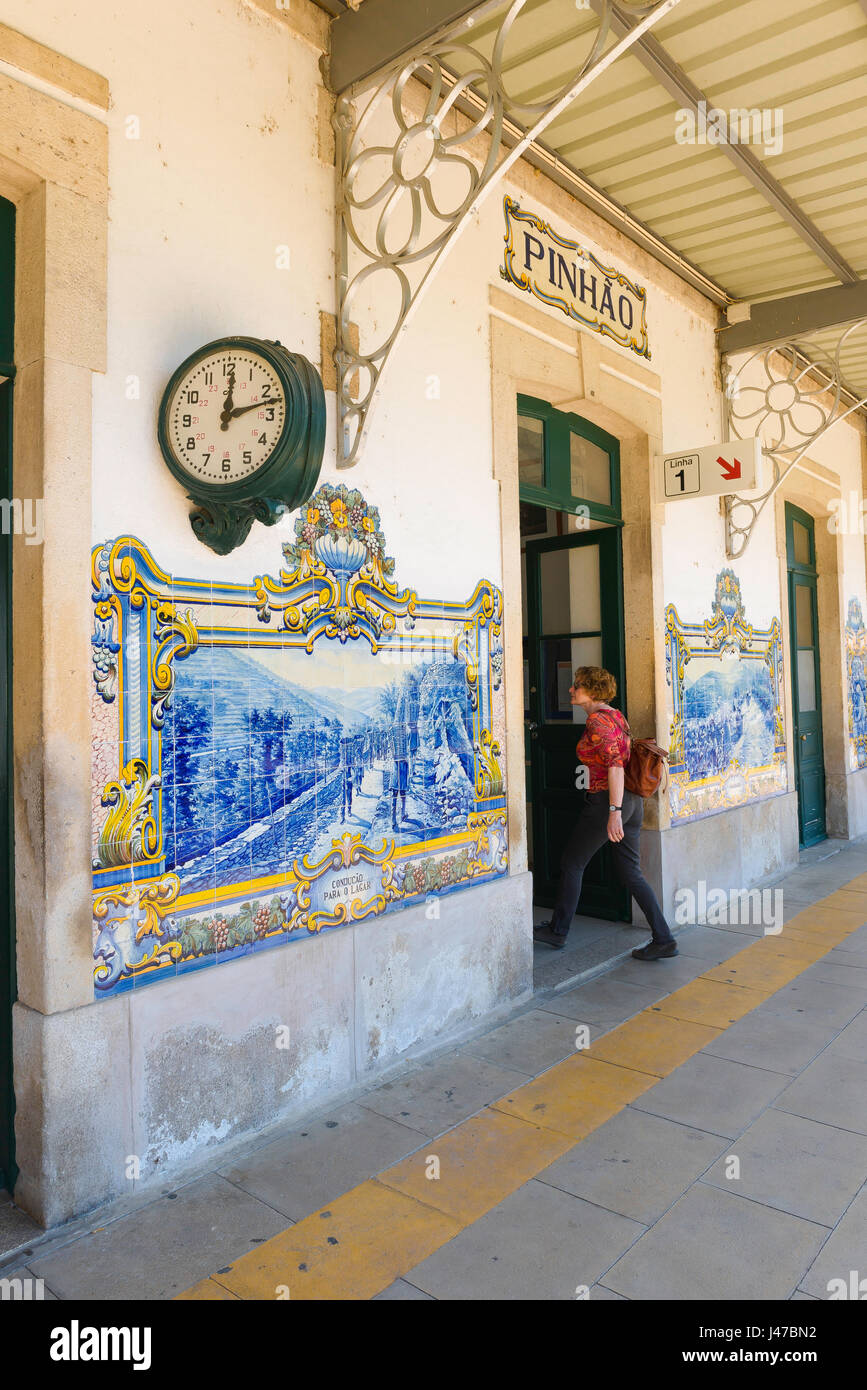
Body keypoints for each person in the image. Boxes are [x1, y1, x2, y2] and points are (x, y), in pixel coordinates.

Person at [533, 665, 677, 961]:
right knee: (631, 873)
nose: (571, 690)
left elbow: (614, 766)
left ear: (592, 691)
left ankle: (558, 931)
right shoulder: (615, 716)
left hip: (608, 803)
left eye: (577, 686)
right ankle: (664, 938)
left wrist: (613, 811)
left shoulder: (598, 722)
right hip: (632, 803)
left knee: (572, 863)